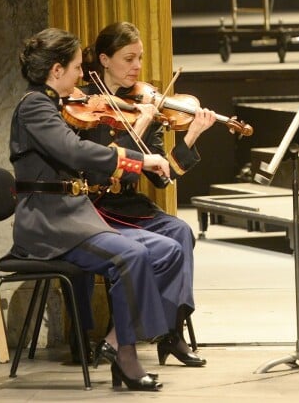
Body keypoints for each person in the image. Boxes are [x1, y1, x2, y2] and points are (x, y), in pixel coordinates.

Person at [9, 27, 193, 391]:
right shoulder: (34, 106)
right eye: (77, 67)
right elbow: (76, 153)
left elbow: (88, 158)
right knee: (132, 255)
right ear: (56, 70)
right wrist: (138, 160)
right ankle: (126, 356)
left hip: (76, 217)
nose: (82, 75)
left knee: (167, 250)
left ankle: (113, 342)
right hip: (49, 224)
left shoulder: (56, 106)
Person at [75, 21, 216, 368]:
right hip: (94, 206)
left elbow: (162, 179)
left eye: (139, 58)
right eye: (128, 59)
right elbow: (97, 171)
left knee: (180, 231)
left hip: (130, 205)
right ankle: (122, 334)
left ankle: (172, 334)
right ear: (105, 60)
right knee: (146, 247)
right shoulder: (84, 106)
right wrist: (135, 128)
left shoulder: (145, 104)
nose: (137, 67)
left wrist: (190, 138)